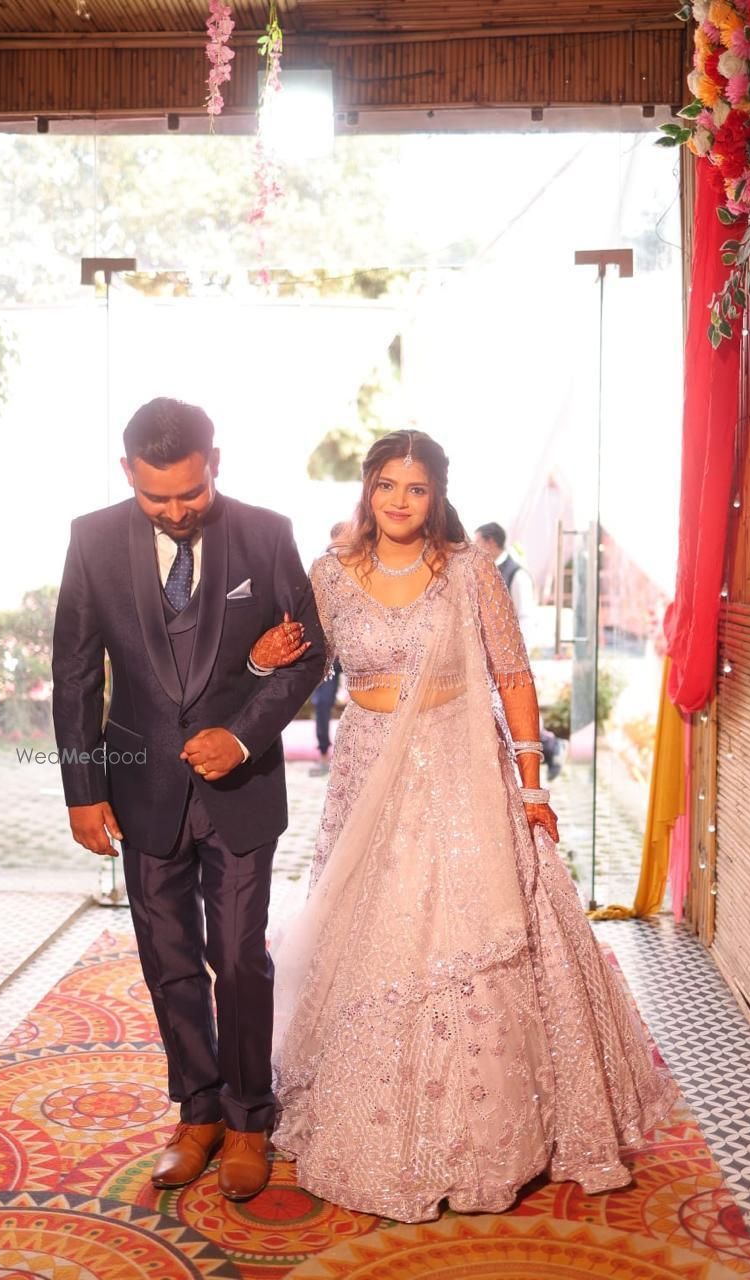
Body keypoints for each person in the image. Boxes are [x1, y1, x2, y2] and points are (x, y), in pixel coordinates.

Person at [264, 430, 675, 1223]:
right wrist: (260, 658)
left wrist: (531, 785)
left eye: (415, 488)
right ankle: (370, 1118)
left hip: (459, 770)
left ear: (436, 495)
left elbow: (512, 676)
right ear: (367, 487)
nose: (398, 501)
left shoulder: (467, 571)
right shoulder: (330, 574)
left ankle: (490, 1138)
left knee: (464, 927)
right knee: (373, 927)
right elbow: (305, 668)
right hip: (368, 766)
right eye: (387, 485)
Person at [52, 397, 324, 1202]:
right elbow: (76, 673)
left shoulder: (266, 533)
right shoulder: (92, 539)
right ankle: (197, 1112)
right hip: (140, 785)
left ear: (216, 463)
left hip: (240, 787)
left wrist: (241, 737)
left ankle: (248, 1119)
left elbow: (310, 655)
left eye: (190, 493)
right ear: (126, 472)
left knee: (236, 956)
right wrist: (82, 790)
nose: (175, 511)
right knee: (166, 957)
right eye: (155, 497)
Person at [475, 520, 562, 781]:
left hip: (509, 658)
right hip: (488, 656)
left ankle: (550, 746)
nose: (474, 548)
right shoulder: (484, 570)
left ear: (491, 542)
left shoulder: (517, 574)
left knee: (513, 711)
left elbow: (525, 618)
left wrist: (512, 656)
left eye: (477, 542)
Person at [308, 523, 347, 777]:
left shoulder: (367, 567)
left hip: (360, 648)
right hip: (329, 651)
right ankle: (324, 754)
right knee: (323, 703)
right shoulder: (320, 568)